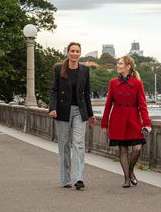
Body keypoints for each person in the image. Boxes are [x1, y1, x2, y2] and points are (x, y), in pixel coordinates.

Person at [48, 42, 96, 190]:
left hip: (79, 111)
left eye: (77, 51)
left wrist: (90, 114)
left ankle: (79, 178)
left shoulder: (84, 70)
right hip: (63, 110)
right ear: (67, 52)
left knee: (79, 144)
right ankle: (65, 179)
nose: (75, 53)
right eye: (72, 51)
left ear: (80, 53)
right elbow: (54, 90)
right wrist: (52, 108)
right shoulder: (59, 69)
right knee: (64, 145)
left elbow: (86, 93)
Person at [101, 55, 152, 188]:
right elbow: (108, 104)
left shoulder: (137, 83)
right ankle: (126, 178)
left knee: (137, 148)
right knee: (122, 150)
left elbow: (143, 105)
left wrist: (147, 123)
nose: (117, 65)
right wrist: (104, 123)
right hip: (118, 120)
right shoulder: (113, 82)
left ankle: (130, 171)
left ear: (128, 67)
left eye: (120, 63)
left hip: (133, 120)